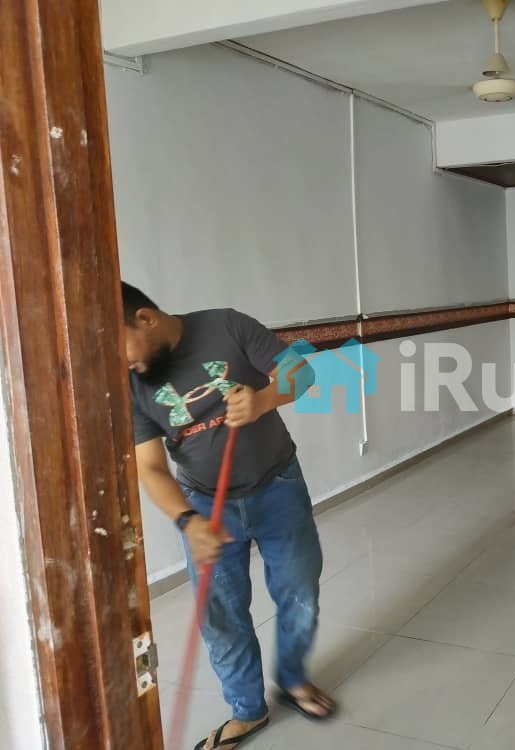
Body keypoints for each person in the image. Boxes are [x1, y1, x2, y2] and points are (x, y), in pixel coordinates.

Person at [122, 282, 335, 750]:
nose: (126, 364)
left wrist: (263, 400)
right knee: (220, 615)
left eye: (124, 351)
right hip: (203, 504)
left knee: (300, 592)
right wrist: (186, 520)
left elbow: (301, 373)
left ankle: (294, 679)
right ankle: (247, 710)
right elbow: (150, 468)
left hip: (277, 485)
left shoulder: (226, 325)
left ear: (145, 319)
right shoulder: (134, 384)